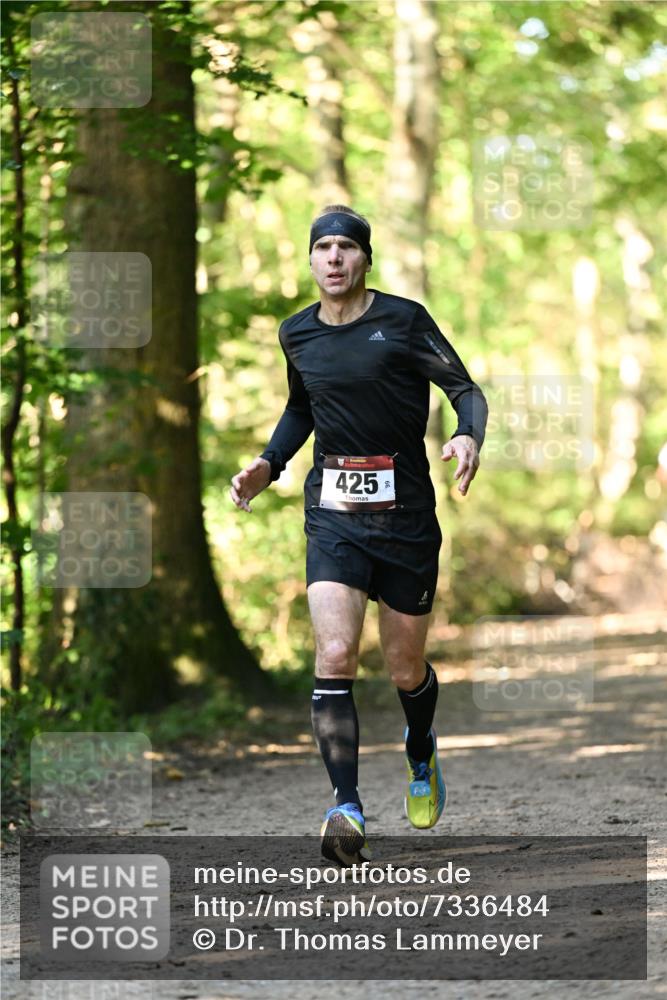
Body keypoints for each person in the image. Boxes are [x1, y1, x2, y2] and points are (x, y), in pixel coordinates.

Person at [231, 205, 488, 866]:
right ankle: (345, 807)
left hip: (405, 518)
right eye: (324, 248)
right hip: (334, 514)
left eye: (346, 247)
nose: (335, 258)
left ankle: (420, 748)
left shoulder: (403, 320)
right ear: (311, 259)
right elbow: (300, 408)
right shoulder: (296, 333)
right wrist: (268, 465)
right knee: (336, 650)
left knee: (403, 667)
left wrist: (467, 435)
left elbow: (465, 389)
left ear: (365, 258)